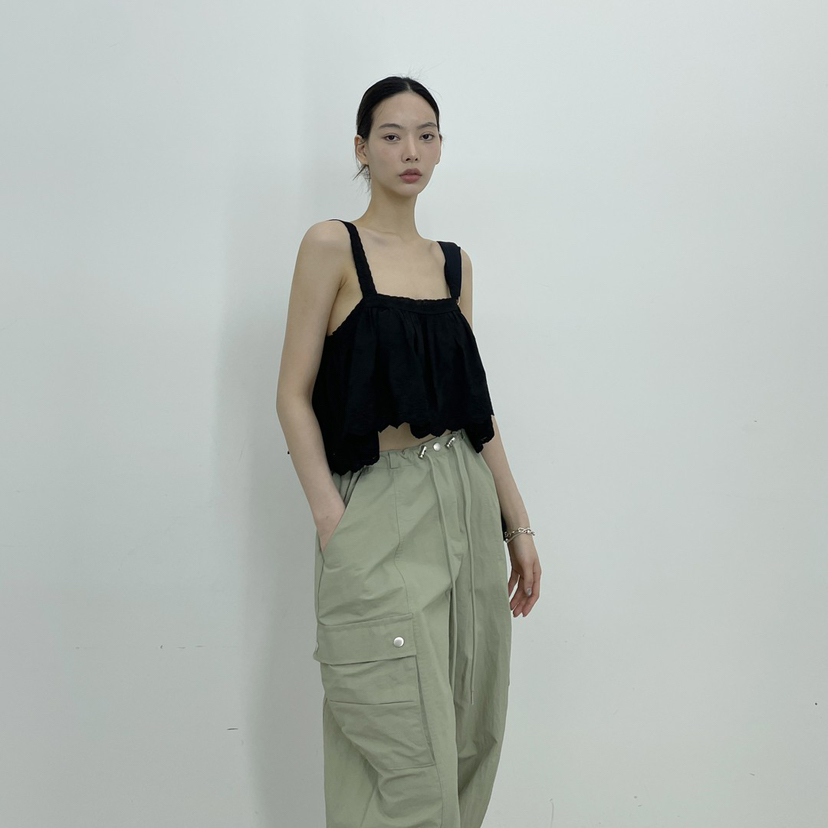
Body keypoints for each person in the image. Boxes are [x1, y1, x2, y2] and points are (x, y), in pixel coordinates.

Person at [276, 75, 541, 828]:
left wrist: (517, 525)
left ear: (441, 147)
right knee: (402, 740)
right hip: (380, 505)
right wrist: (333, 520)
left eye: (426, 135)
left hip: (465, 498)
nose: (410, 151)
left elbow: (475, 411)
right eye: (391, 136)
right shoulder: (331, 245)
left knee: (469, 728)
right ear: (362, 149)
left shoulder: (452, 264)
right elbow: (291, 395)